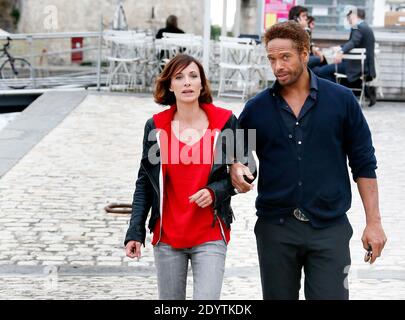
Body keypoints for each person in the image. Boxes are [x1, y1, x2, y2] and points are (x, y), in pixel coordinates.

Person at [230, 21, 387, 300]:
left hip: (329, 228)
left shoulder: (341, 101)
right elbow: (234, 153)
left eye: (285, 57)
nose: (278, 65)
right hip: (275, 229)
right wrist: (235, 167)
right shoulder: (256, 108)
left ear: (305, 54)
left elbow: (364, 162)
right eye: (272, 59)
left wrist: (373, 222)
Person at [124, 54, 240, 300]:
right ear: (170, 86)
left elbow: (249, 171)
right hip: (167, 237)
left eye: (193, 76)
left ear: (201, 84)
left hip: (210, 234)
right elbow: (145, 182)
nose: (187, 82)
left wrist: (214, 192)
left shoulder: (227, 121)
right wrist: (135, 231)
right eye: (179, 77)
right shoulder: (155, 127)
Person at [314, 6, 377, 106]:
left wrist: (341, 51)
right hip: (361, 65)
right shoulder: (365, 26)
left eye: (349, 17)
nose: (348, 20)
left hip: (355, 65)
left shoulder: (358, 27)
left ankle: (337, 94)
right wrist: (340, 47)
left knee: (320, 71)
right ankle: (366, 91)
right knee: (331, 71)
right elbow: (354, 42)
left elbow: (354, 42)